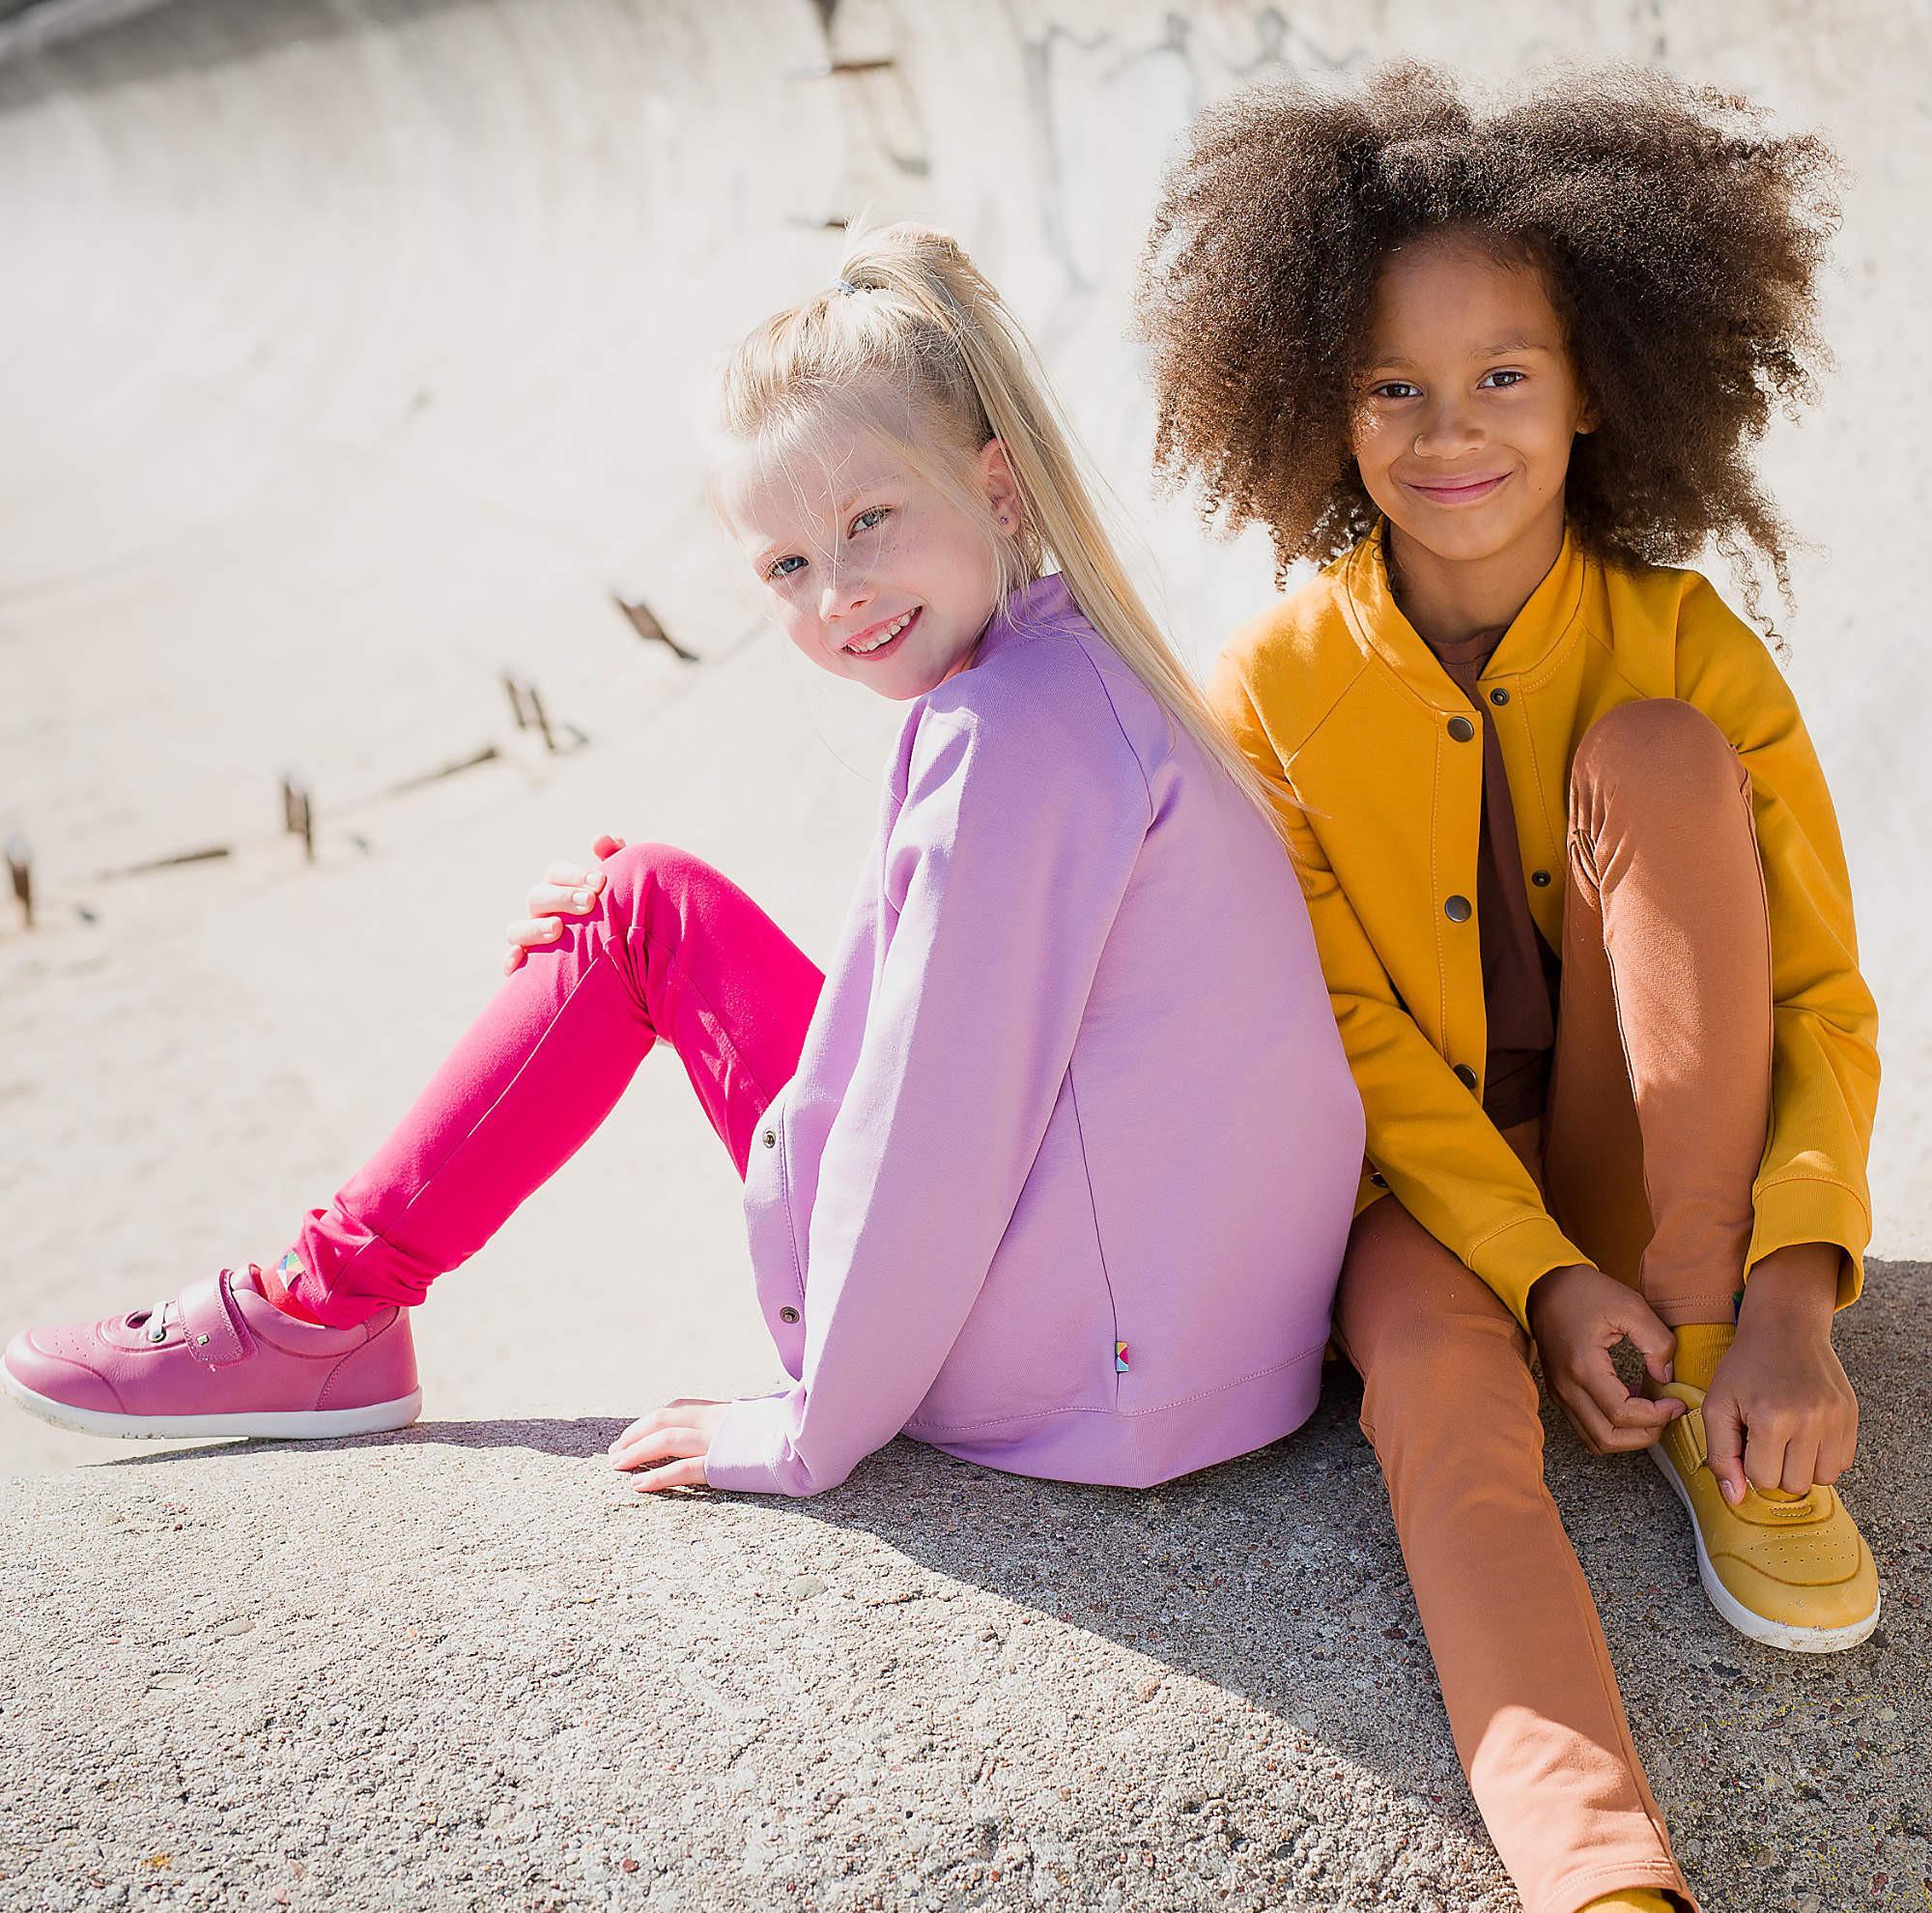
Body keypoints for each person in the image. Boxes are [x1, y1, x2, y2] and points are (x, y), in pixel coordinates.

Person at [5, 224, 1364, 1501]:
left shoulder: (1006, 736)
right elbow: (964, 1046)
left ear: (995, 485)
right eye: (785, 564)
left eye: (870, 521)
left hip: (1087, 1374)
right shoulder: (1077, 676)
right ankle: (329, 1299)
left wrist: (808, 1428)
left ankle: (314, 1313)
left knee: (637, 912)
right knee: (639, 902)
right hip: (1206, 1350)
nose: (837, 594)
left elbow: (938, 1132)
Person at [1135, 64, 1881, 1913]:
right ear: (1317, 400)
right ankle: (1601, 1884)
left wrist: (1788, 1299)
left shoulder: (1690, 642)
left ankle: (1715, 1377)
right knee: (1442, 1402)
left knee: (1654, 758)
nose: (1444, 429)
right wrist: (1538, 1277)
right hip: (1421, 1200)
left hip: (1665, 1184)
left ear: (1597, 387)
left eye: (1502, 376)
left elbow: (1818, 998)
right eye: (1388, 383)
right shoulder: (1272, 690)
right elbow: (1348, 1037)